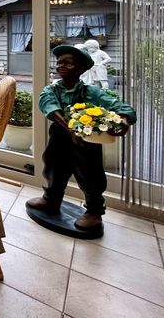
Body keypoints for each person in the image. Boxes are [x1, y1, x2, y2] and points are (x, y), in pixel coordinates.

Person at [26, 45, 136, 230]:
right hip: (60, 137)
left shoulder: (90, 91)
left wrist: (123, 121)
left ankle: (94, 211)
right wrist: (69, 128)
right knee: (53, 168)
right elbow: (50, 106)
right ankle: (51, 199)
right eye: (59, 62)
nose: (61, 66)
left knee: (90, 175)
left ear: (80, 69)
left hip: (87, 141)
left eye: (67, 63)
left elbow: (123, 108)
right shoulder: (52, 90)